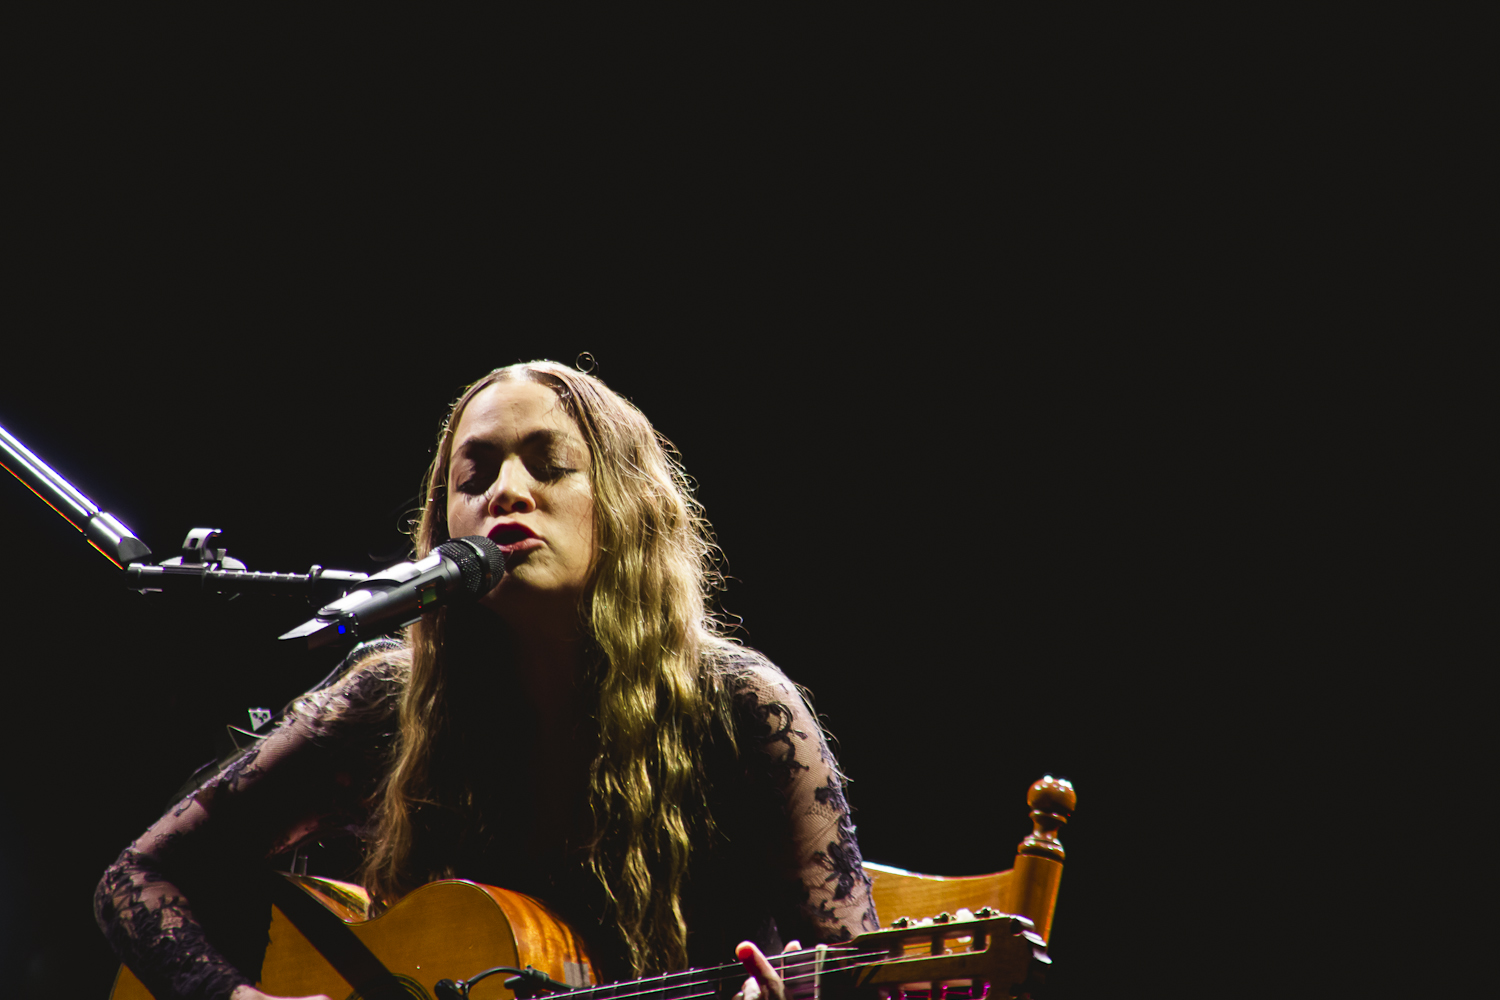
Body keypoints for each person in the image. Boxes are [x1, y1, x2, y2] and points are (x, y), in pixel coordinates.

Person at [95, 361, 880, 1000]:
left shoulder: (738, 709)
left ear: (628, 507)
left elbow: (860, 975)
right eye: (475, 476)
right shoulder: (388, 704)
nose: (505, 490)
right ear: (444, 527)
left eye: (549, 466)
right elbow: (137, 878)